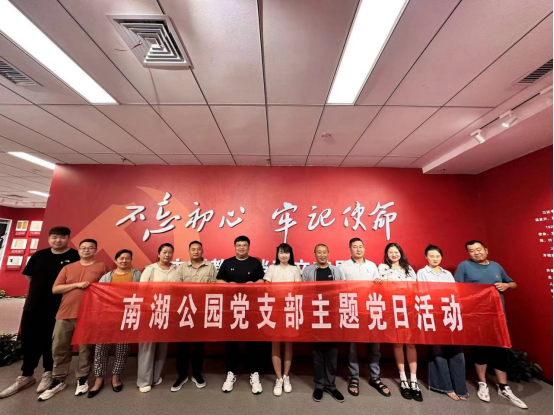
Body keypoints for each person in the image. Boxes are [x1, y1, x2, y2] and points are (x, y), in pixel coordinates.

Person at [0, 227, 79, 399]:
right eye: (54, 237)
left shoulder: (75, 256)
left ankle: (48, 372)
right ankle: (26, 375)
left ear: (68, 238)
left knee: (52, 340)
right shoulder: (39, 255)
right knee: (30, 339)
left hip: (60, 305)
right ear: (49, 238)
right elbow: (29, 276)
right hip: (34, 304)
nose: (58, 240)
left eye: (62, 237)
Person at [454, 240, 527, 409]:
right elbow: (456, 288)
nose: (476, 253)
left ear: (486, 250)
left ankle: (504, 387)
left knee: (500, 351)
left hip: (499, 317)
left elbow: (514, 284)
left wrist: (506, 285)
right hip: (477, 317)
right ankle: (483, 384)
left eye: (478, 249)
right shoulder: (464, 266)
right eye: (472, 251)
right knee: (480, 351)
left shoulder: (496, 266)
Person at [38, 239, 109, 401]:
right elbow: (56, 289)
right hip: (65, 312)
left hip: (89, 313)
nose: (86, 250)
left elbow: (107, 288)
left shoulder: (102, 266)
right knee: (59, 346)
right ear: (79, 250)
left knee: (85, 348)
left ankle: (82, 378)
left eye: (90, 248)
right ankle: (58, 378)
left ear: (95, 250)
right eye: (83, 248)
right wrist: (77, 285)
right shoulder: (68, 268)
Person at [340, 238, 390, 398]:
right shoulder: (343, 267)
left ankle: (375, 377)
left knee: (374, 346)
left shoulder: (372, 266)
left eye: (361, 246)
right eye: (355, 247)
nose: (358, 249)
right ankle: (354, 377)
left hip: (371, 310)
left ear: (364, 248)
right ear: (350, 249)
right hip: (352, 310)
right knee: (352, 347)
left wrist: (379, 282)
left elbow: (380, 286)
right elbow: (339, 288)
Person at [88, 249, 141, 398]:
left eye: (127, 258)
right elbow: (98, 296)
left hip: (126, 315)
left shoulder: (137, 275)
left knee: (122, 348)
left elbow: (142, 292)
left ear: (131, 261)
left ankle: (116, 377)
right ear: (116, 260)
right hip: (107, 316)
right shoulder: (107, 276)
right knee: (101, 348)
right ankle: (99, 379)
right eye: (121, 258)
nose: (124, 261)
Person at [417, 244, 467, 401]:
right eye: (431, 256)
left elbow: (454, 292)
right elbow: (422, 292)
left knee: (456, 349)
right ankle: (444, 386)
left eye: (438, 256)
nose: (435, 259)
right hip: (432, 314)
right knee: (437, 350)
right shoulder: (422, 273)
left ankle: (460, 387)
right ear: (426, 257)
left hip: (449, 313)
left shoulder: (447, 274)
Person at [216, 235, 265, 395]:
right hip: (232, 308)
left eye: (244, 245)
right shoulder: (227, 262)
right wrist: (228, 285)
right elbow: (218, 281)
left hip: (251, 308)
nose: (241, 248)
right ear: (235, 247)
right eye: (239, 245)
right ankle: (231, 373)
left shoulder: (255, 263)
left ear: (249, 247)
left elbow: (262, 281)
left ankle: (254, 373)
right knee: (232, 341)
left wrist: (254, 284)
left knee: (253, 341)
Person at [169, 241, 216, 392]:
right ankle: (182, 375)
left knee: (199, 345)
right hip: (185, 310)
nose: (196, 251)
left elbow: (215, 287)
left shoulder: (210, 266)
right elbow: (175, 286)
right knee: (182, 345)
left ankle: (197, 374)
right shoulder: (182, 267)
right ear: (189, 251)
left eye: (198, 249)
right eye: (193, 249)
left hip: (202, 311)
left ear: (203, 251)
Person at [377, 243, 422, 402]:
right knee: (397, 344)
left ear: (401, 253)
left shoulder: (408, 269)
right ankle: (403, 379)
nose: (394, 254)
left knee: (411, 344)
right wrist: (378, 282)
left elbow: (415, 287)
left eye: (396, 252)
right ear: (386, 254)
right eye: (390, 252)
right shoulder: (382, 268)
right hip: (393, 310)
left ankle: (414, 380)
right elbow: (381, 287)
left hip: (409, 309)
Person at [302, 244, 346, 403]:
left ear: (328, 253)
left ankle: (331, 385)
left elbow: (342, 290)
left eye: (324, 252)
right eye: (319, 252)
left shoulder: (336, 271)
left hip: (332, 316)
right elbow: (303, 292)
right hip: (315, 316)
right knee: (317, 351)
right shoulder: (308, 271)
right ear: (314, 254)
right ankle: (319, 385)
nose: (322, 255)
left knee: (332, 351)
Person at [137, 243, 179, 393]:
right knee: (147, 345)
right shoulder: (150, 269)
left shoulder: (177, 269)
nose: (167, 255)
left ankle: (155, 377)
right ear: (158, 254)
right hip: (151, 310)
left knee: (162, 345)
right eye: (164, 252)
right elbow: (142, 291)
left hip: (168, 311)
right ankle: (144, 380)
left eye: (170, 252)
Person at [264, 243, 301, 396]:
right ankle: (278, 378)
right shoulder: (272, 269)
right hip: (275, 310)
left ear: (290, 254)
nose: (284, 255)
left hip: (290, 309)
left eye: (286, 252)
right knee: (275, 344)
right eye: (281, 252)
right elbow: (266, 287)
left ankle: (286, 376)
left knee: (288, 343)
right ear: (277, 254)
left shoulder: (295, 269)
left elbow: (298, 289)